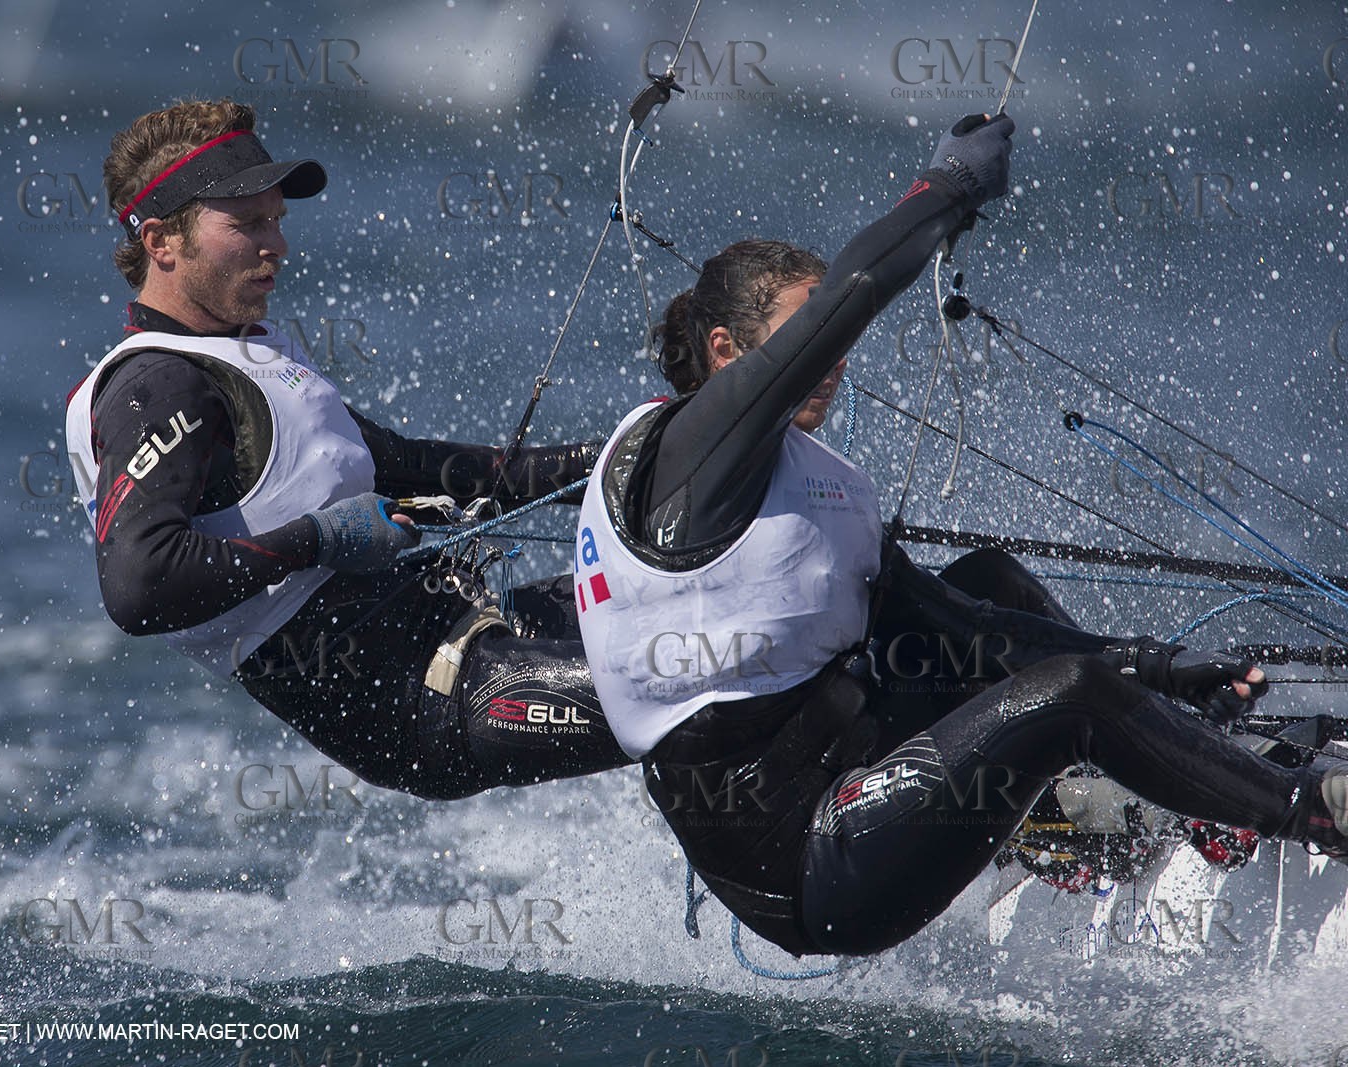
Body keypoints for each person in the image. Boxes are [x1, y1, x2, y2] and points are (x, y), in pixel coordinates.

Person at [573, 112, 1348, 956]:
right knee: (1072, 692)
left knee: (988, 584)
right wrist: (948, 187)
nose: (832, 360)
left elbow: (963, 626)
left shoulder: (809, 477)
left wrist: (1154, 666)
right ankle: (1315, 811)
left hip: (856, 763)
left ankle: (1101, 806)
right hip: (810, 867)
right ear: (727, 352)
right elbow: (855, 292)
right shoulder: (683, 462)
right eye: (805, 340)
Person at [64, 98, 632, 800]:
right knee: (703, 685)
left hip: (471, 627)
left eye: (277, 220)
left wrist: (617, 460)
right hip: (434, 701)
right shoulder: (158, 386)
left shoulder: (245, 358)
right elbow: (139, 586)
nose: (277, 245)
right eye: (248, 224)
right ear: (161, 242)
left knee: (717, 613)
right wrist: (321, 537)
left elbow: (419, 468)